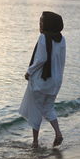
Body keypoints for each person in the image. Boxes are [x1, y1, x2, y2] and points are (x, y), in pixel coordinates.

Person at [19, 11, 66, 148]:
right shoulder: (62, 39)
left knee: (36, 109)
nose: (39, 24)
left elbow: (41, 59)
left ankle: (35, 142)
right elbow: (61, 61)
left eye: (42, 22)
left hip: (42, 80)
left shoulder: (43, 38)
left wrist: (29, 72)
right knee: (48, 107)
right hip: (55, 81)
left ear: (48, 24)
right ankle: (58, 133)